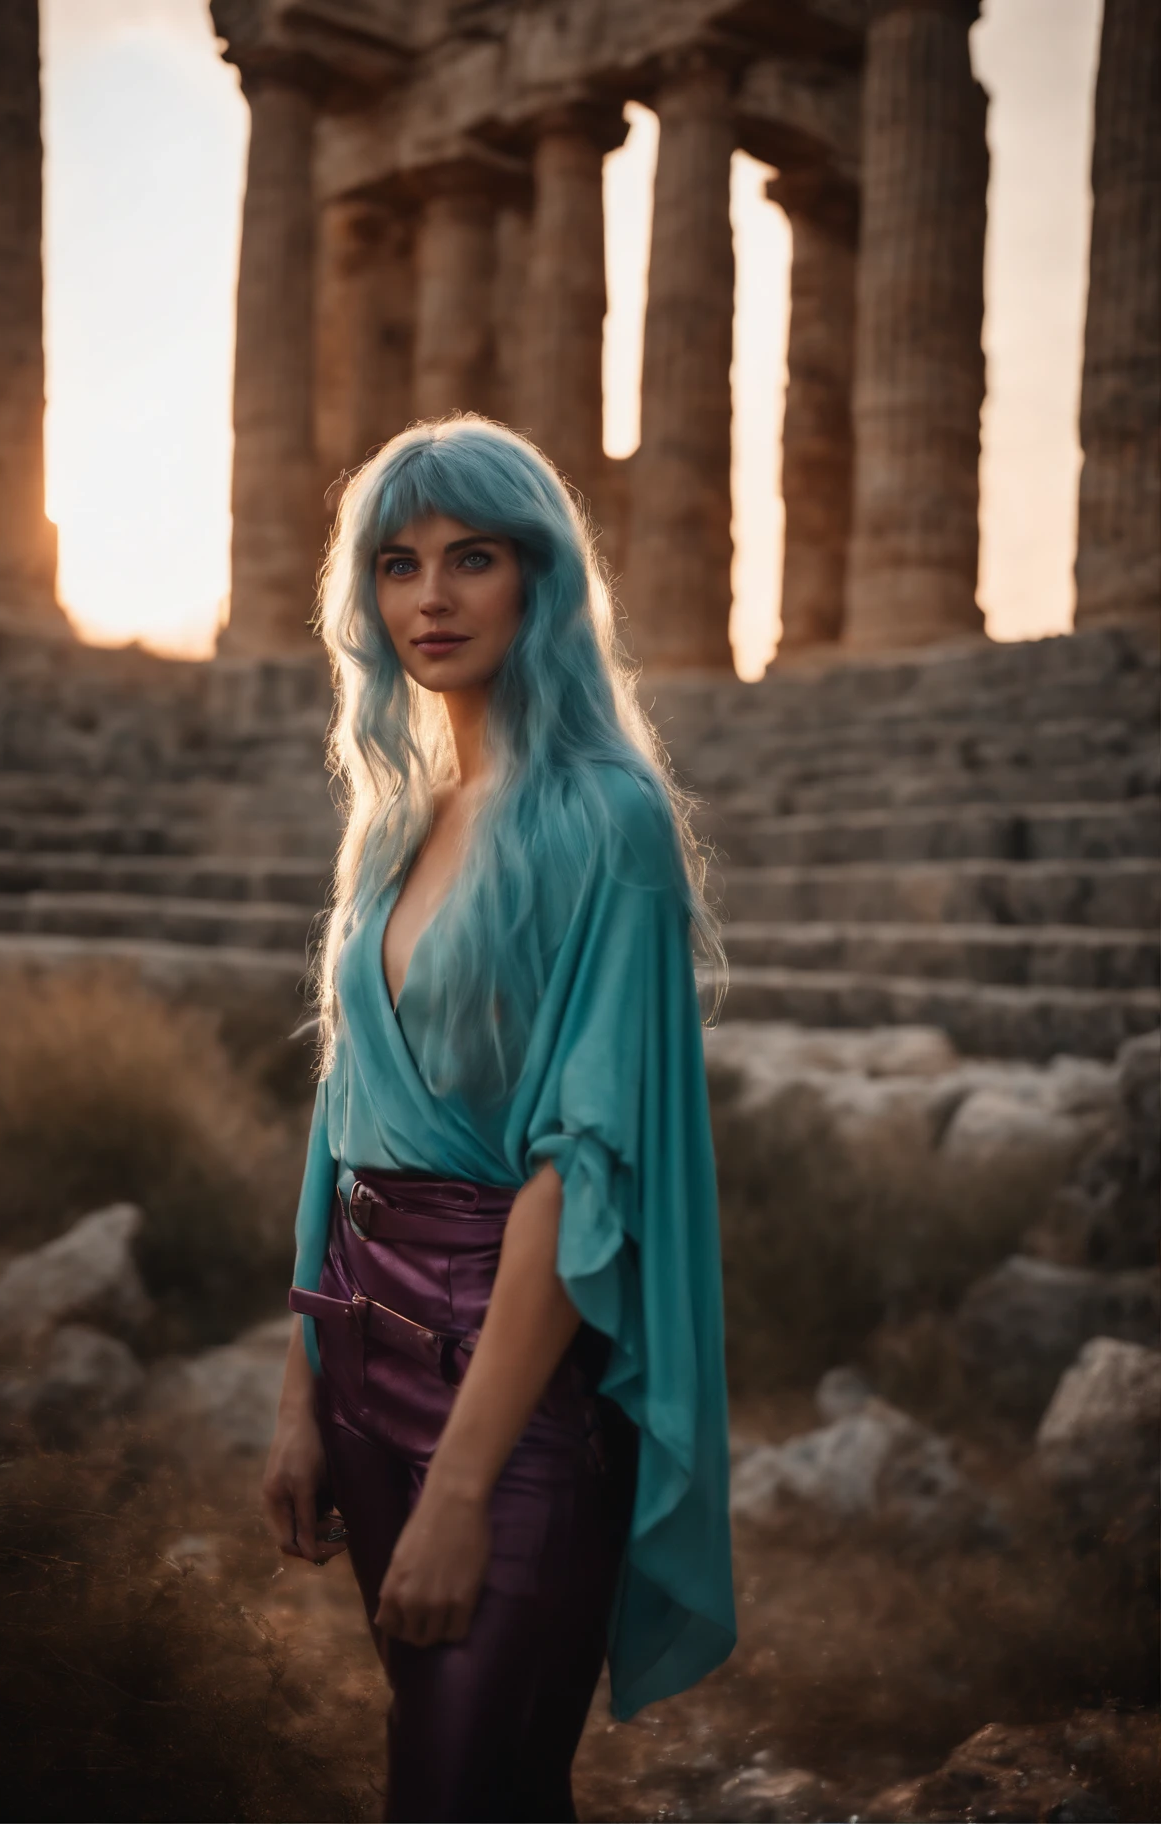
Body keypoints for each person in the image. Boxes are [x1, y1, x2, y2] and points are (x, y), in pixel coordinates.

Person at [260, 417, 736, 1823]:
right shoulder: (398, 816)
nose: (431, 597)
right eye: (398, 565)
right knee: (480, 1775)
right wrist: (299, 1392)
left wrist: (467, 1485)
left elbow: (573, 1174)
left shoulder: (609, 820)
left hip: (511, 1381)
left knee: (460, 1781)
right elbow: (345, 1111)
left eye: (473, 557)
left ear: (541, 579)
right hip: (358, 1347)